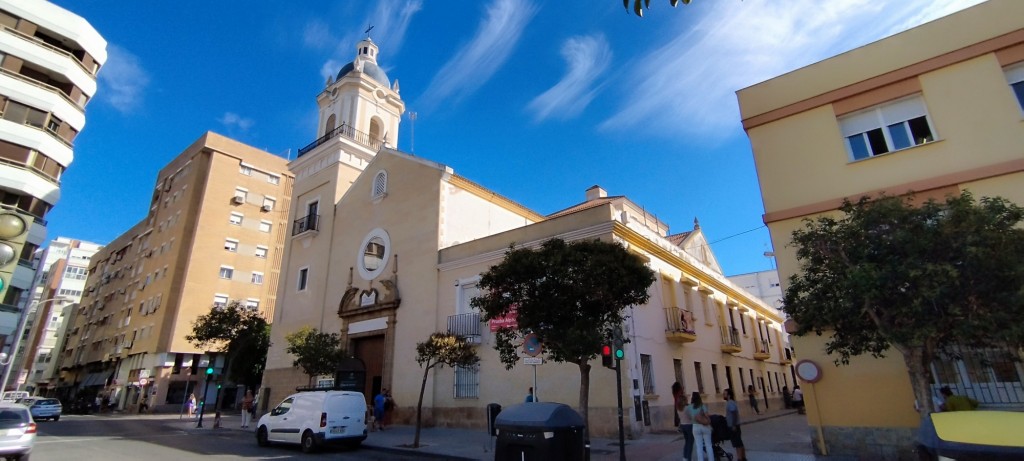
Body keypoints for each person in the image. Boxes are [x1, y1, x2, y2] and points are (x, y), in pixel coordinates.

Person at [685, 391, 713, 461]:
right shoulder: (702, 405)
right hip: (704, 426)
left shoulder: (689, 407)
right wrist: (708, 421)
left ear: (692, 398)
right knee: (708, 445)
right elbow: (707, 415)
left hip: (695, 427)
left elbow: (689, 417)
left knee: (699, 446)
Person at [672, 382, 694, 461]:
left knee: (687, 442)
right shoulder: (686, 406)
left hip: (683, 424)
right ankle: (688, 458)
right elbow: (691, 416)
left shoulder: (676, 397)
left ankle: (685, 458)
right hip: (688, 425)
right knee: (690, 443)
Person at [724, 389, 748, 461]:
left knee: (737, 443)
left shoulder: (730, 403)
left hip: (733, 426)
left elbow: (734, 413)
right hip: (734, 425)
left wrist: (733, 425)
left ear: (729, 395)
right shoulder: (731, 402)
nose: (723, 395)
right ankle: (743, 457)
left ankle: (739, 458)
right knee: (739, 442)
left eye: (725, 394)